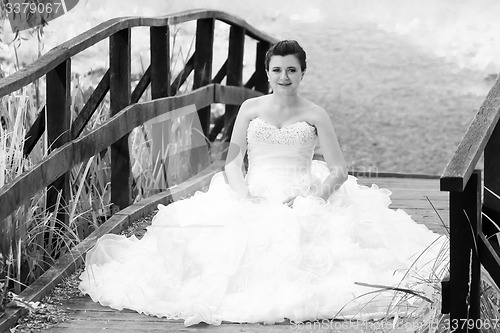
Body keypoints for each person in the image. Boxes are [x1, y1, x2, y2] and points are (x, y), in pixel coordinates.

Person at [79, 40, 446, 327]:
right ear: (267, 72)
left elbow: (338, 170)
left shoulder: (316, 114)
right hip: (252, 190)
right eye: (277, 70)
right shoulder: (251, 109)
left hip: (301, 192)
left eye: (292, 69)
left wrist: (313, 198)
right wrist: (245, 196)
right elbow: (232, 163)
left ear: (303, 73)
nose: (284, 76)